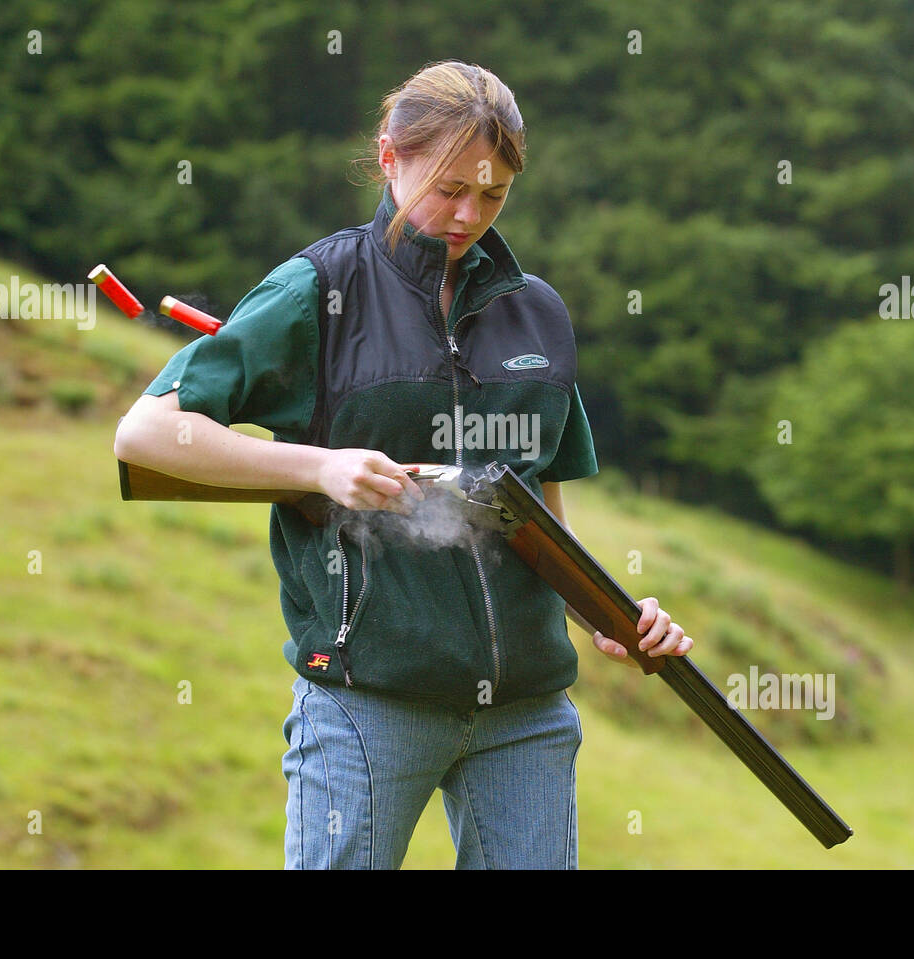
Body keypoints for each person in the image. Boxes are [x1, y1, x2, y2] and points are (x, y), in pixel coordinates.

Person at [113, 60, 693, 869]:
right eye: (449, 188)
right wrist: (319, 469)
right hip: (365, 700)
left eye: (492, 196)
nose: (467, 215)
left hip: (525, 710)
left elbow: (543, 515)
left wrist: (613, 615)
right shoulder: (316, 288)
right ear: (390, 157)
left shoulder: (539, 314)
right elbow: (146, 434)